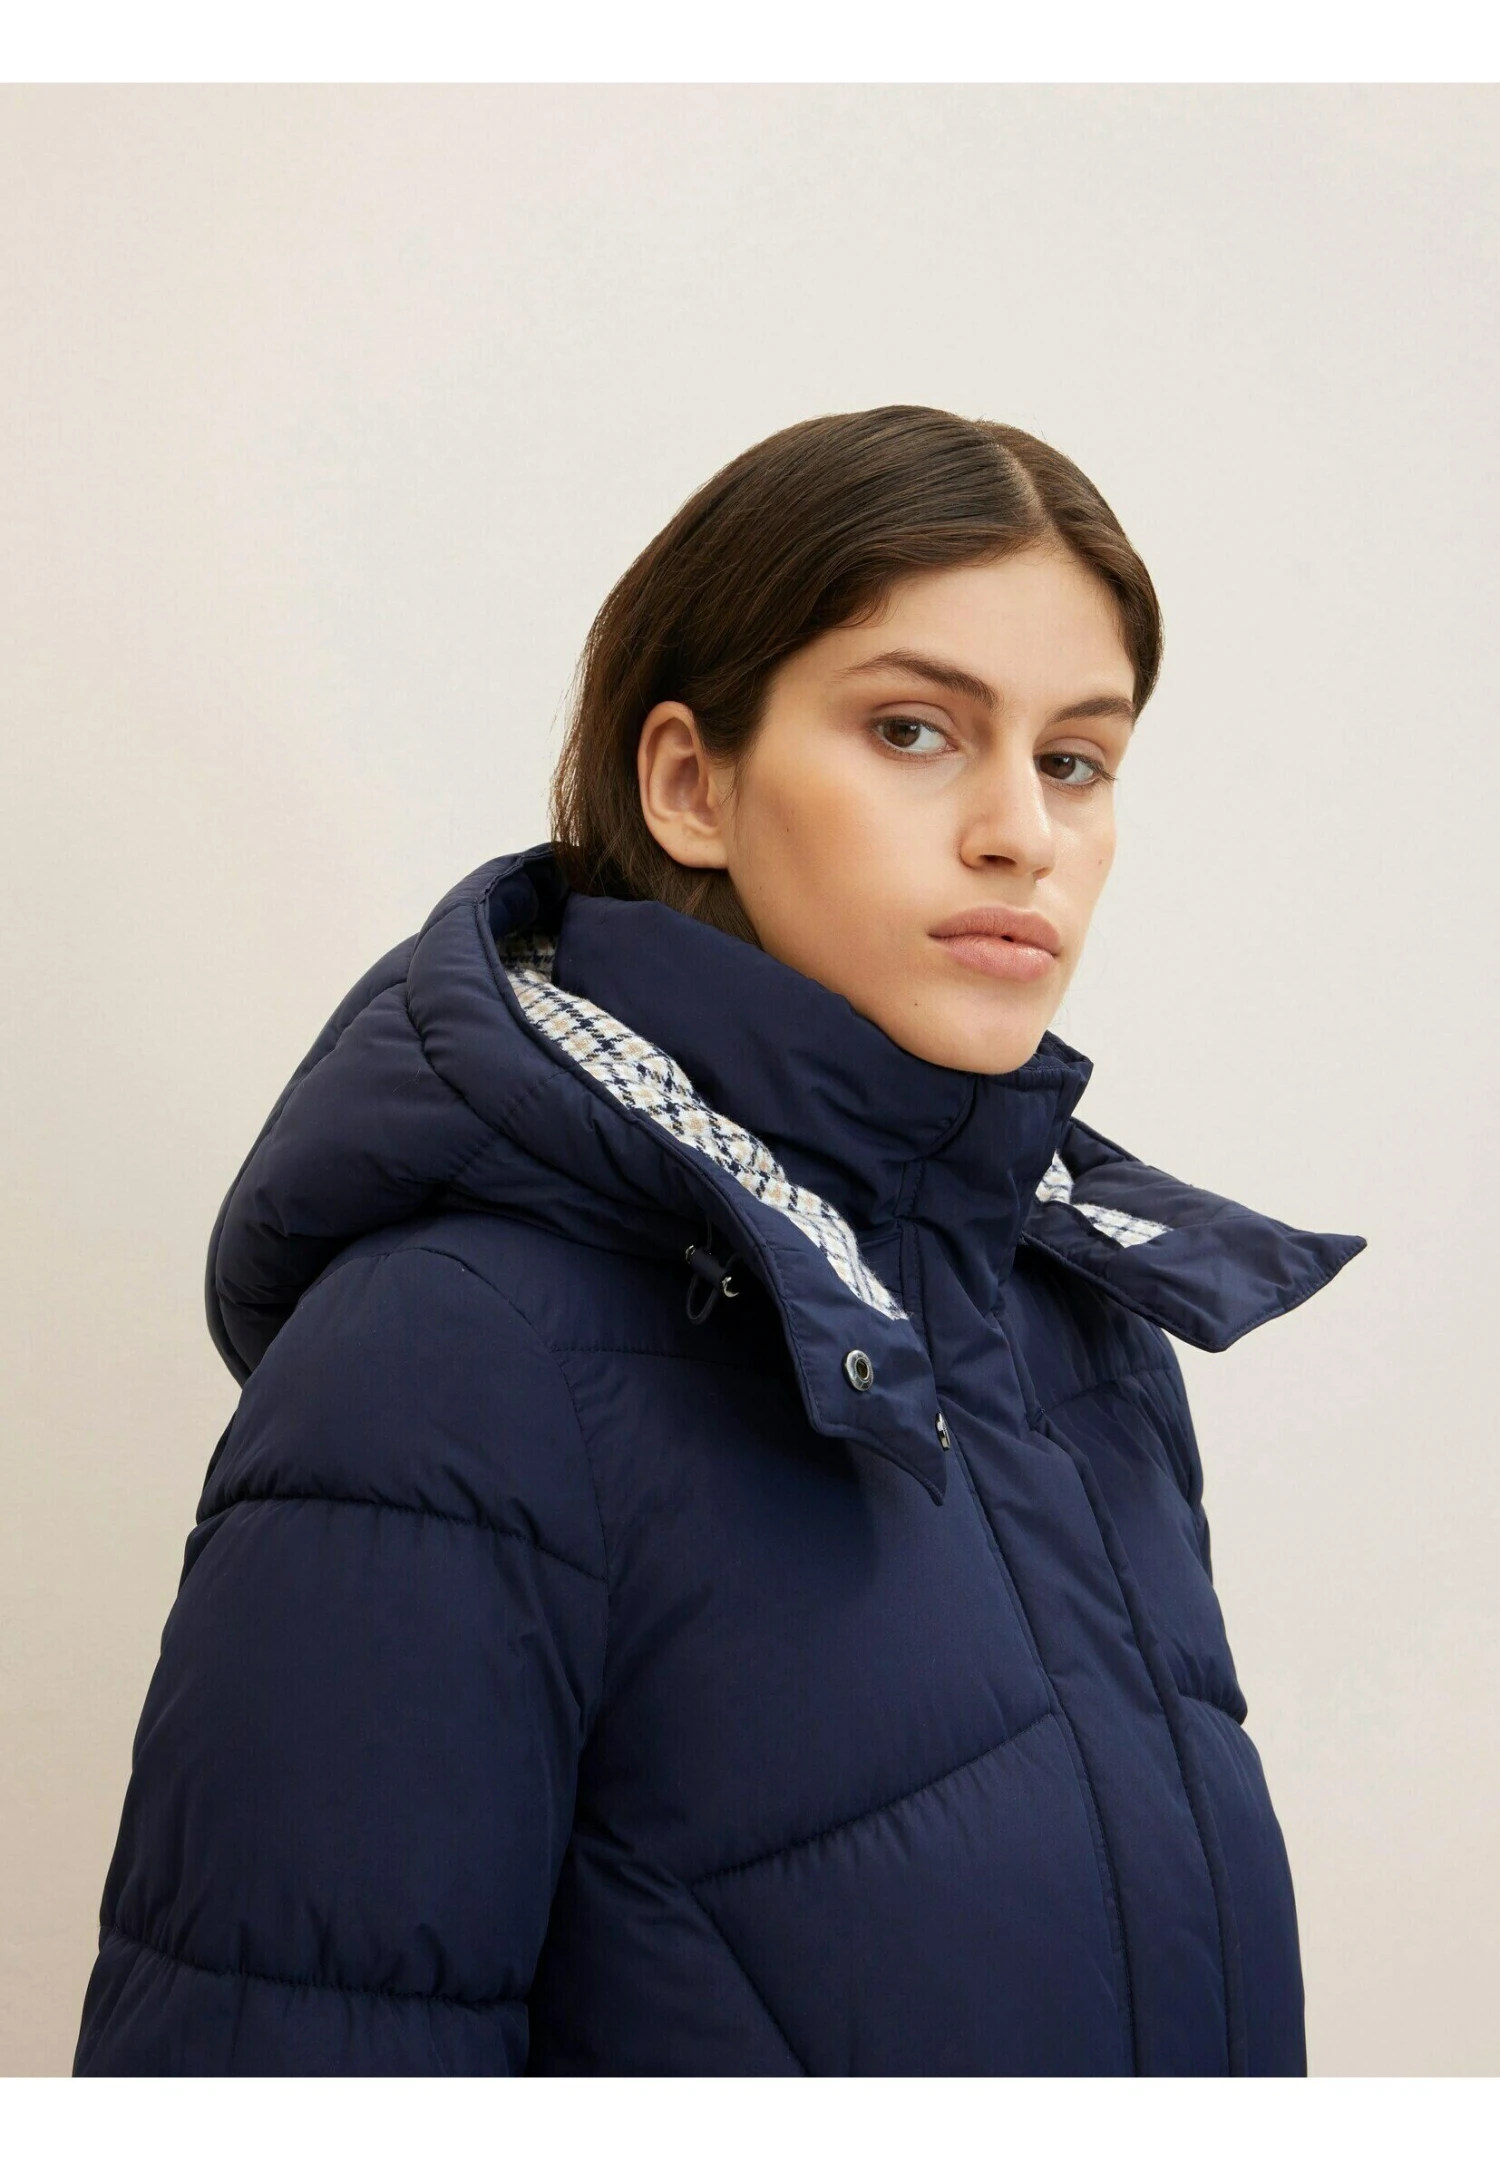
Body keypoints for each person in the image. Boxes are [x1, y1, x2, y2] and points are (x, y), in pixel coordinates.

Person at [73, 404, 1366, 2076]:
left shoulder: (1076, 1332)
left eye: (1074, 760)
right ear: (690, 784)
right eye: (914, 730)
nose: (1022, 833)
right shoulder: (445, 1358)